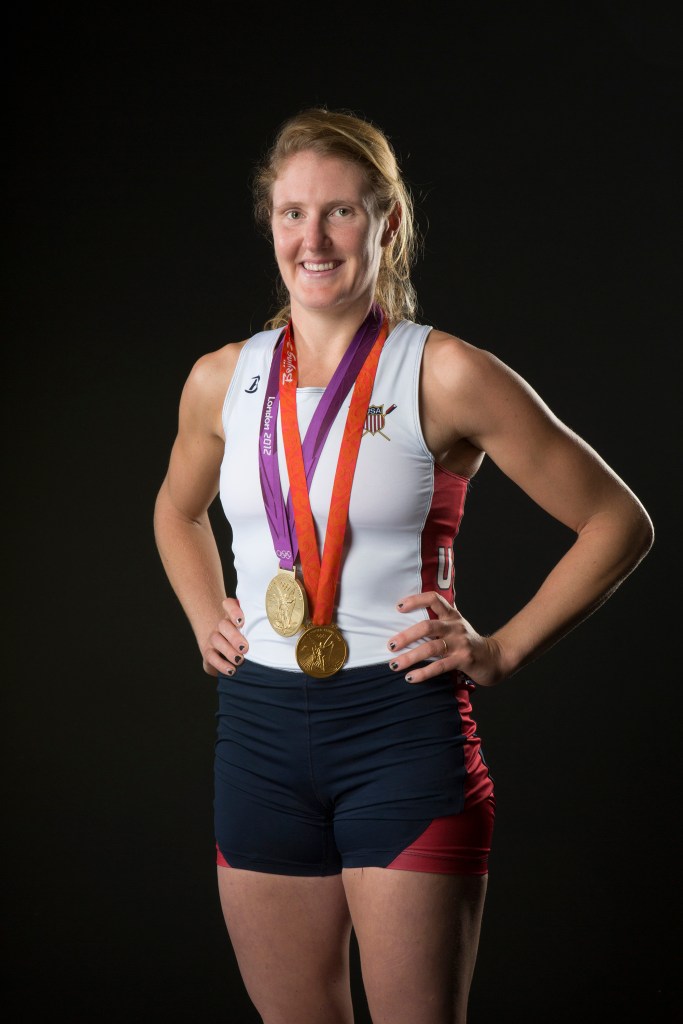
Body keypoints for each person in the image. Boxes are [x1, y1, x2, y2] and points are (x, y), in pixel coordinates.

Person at [153, 106, 653, 1024]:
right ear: (269, 223)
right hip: (258, 735)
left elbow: (617, 521)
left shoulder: (444, 372)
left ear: (387, 221)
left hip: (400, 734)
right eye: (292, 212)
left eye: (341, 212)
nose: (314, 238)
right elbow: (174, 510)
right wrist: (202, 613)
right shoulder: (222, 378)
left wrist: (500, 650)